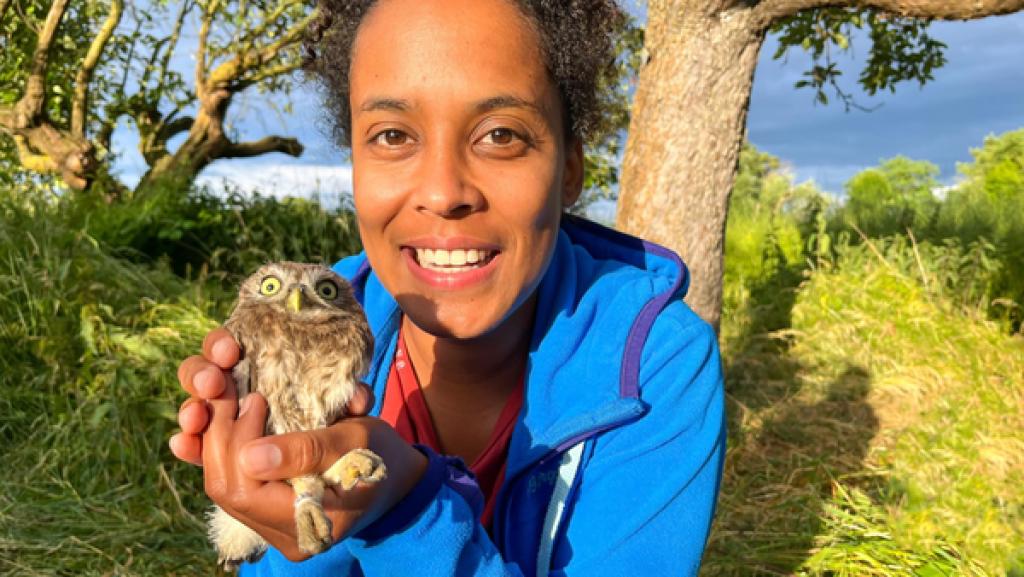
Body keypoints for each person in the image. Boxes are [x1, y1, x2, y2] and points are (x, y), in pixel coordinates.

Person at [170, 0, 727, 575]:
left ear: (569, 168)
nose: (442, 192)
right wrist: (283, 488)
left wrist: (404, 513)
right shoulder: (315, 315)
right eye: (391, 135)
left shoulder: (654, 364)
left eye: (501, 135)